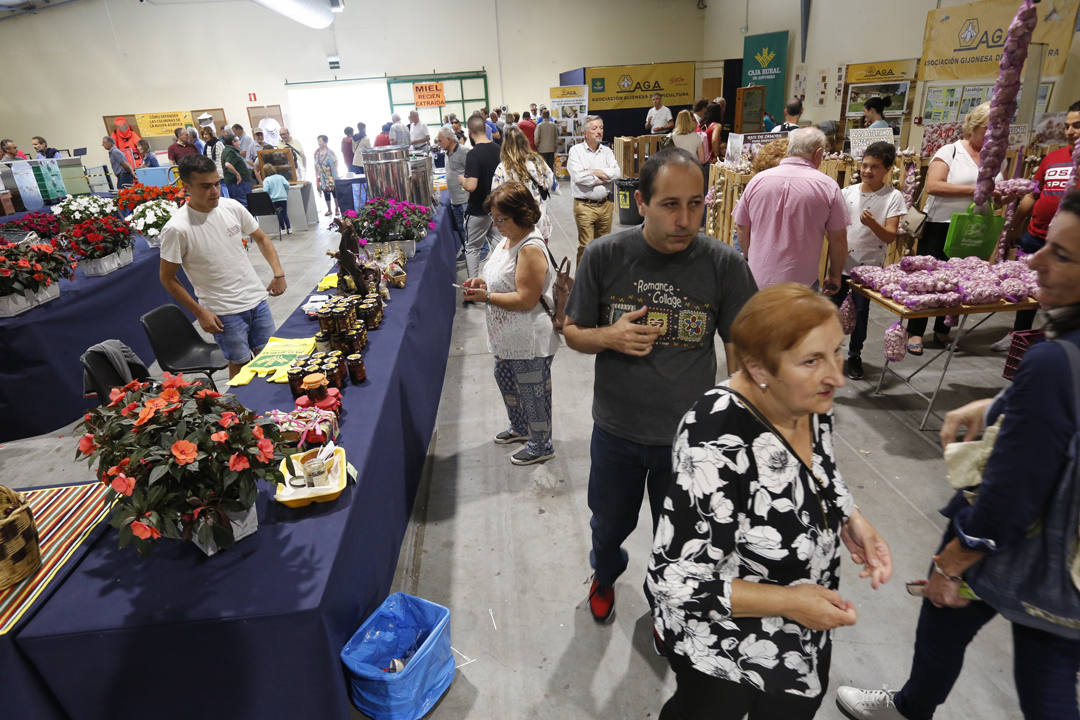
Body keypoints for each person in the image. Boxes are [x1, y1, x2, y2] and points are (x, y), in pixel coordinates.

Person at [834, 191, 1080, 720]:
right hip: (1067, 562)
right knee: (1049, 656)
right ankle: (910, 704)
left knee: (1038, 673)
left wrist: (953, 562)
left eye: (1061, 254)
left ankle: (909, 708)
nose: (1034, 257)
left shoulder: (1053, 366)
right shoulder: (1060, 360)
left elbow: (1010, 496)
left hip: (1021, 545)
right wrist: (1003, 402)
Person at [648, 282, 892, 720]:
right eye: (813, 360)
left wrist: (851, 517)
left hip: (801, 634)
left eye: (837, 351)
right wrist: (790, 602)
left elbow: (822, 467)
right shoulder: (714, 437)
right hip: (724, 651)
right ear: (759, 367)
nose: (836, 375)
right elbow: (675, 580)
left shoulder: (807, 397)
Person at [563, 148, 758, 623]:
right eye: (670, 204)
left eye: (695, 204)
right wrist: (609, 335)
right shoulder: (605, 255)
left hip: (690, 440)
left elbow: (740, 345)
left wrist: (740, 422)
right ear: (642, 203)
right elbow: (572, 332)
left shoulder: (724, 263)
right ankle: (605, 575)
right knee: (608, 526)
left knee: (682, 534)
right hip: (617, 431)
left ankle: (666, 604)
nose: (685, 219)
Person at [159, 154, 286, 379]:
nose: (214, 191)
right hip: (223, 312)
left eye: (217, 183)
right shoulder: (177, 228)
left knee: (272, 361)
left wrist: (279, 273)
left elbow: (262, 238)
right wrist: (200, 312)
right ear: (186, 186)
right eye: (205, 186)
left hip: (256, 300)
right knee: (240, 367)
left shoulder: (232, 207)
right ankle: (242, 412)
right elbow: (167, 278)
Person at [461, 182, 559, 465]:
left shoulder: (529, 248)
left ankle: (541, 445)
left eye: (501, 219)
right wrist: (482, 282)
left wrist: (487, 296)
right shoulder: (508, 238)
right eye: (494, 217)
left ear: (522, 215)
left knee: (532, 391)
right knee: (506, 380)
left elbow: (527, 299)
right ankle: (520, 428)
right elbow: (502, 275)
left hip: (529, 337)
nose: (495, 224)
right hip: (507, 334)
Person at [906, 102, 998, 354]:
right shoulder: (951, 151)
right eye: (988, 128)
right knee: (930, 280)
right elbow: (933, 185)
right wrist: (974, 190)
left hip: (974, 228)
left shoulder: (994, 156)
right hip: (940, 226)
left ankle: (943, 329)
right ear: (974, 126)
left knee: (958, 281)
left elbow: (995, 191)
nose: (993, 134)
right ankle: (915, 331)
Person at [989, 99, 1080, 352]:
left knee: (1063, 298)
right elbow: (1033, 194)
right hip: (1035, 237)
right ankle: (1019, 334)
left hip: (1069, 248)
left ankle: (1059, 343)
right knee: (1024, 292)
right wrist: (1015, 227)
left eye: (1077, 126)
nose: (1070, 131)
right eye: (1067, 126)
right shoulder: (1052, 158)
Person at [733, 126, 848, 294]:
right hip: (802, 285)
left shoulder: (757, 181)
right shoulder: (828, 186)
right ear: (818, 153)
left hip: (758, 281)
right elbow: (838, 239)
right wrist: (834, 275)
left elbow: (742, 227)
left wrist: (752, 258)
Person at [831, 141, 906, 380]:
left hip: (869, 270)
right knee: (830, 311)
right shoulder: (846, 193)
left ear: (887, 169)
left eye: (874, 167)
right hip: (841, 265)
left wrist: (873, 224)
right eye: (864, 165)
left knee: (860, 313)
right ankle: (827, 351)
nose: (867, 171)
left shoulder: (893, 197)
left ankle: (854, 355)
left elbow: (891, 236)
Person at [567, 115, 620, 267]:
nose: (599, 132)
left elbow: (617, 173)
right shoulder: (576, 151)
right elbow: (579, 177)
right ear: (585, 133)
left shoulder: (607, 151)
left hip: (606, 205)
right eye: (594, 128)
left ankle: (601, 282)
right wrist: (604, 178)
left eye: (601, 128)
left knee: (604, 247)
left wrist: (593, 171)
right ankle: (582, 284)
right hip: (585, 207)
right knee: (586, 247)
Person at [490, 125, 555, 240]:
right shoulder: (538, 161)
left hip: (515, 224)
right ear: (525, 141)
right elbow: (550, 183)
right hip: (538, 218)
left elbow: (495, 196)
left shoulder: (503, 168)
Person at [461, 114, 503, 281]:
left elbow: (471, 186)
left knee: (472, 248)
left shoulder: (473, 154)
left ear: (470, 132)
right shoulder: (498, 149)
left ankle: (472, 285)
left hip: (478, 209)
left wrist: (461, 180)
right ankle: (499, 280)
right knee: (499, 246)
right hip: (497, 208)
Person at [436, 127, 470, 258]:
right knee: (461, 229)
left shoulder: (464, 151)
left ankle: (478, 252)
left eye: (440, 140)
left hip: (465, 198)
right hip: (454, 199)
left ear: (448, 139)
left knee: (469, 229)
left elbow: (472, 173)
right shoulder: (446, 153)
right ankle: (467, 251)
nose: (438, 143)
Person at [221, 133, 254, 207]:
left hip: (236, 184)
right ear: (233, 142)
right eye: (238, 141)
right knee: (244, 205)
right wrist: (237, 174)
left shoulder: (226, 151)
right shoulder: (231, 152)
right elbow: (228, 164)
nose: (239, 143)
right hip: (238, 184)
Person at [260, 164, 291, 235]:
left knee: (279, 214)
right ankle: (289, 228)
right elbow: (287, 185)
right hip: (283, 198)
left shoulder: (266, 180)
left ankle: (283, 229)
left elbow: (265, 190)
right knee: (285, 213)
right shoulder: (280, 177)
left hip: (274, 200)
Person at [313, 134, 338, 217]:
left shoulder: (330, 152)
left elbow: (336, 162)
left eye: (320, 141)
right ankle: (329, 209)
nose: (318, 143)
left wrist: (334, 173)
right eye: (318, 141)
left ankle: (337, 209)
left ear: (325, 142)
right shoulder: (316, 152)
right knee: (325, 192)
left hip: (330, 175)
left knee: (334, 192)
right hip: (322, 176)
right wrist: (317, 177)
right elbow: (315, 165)